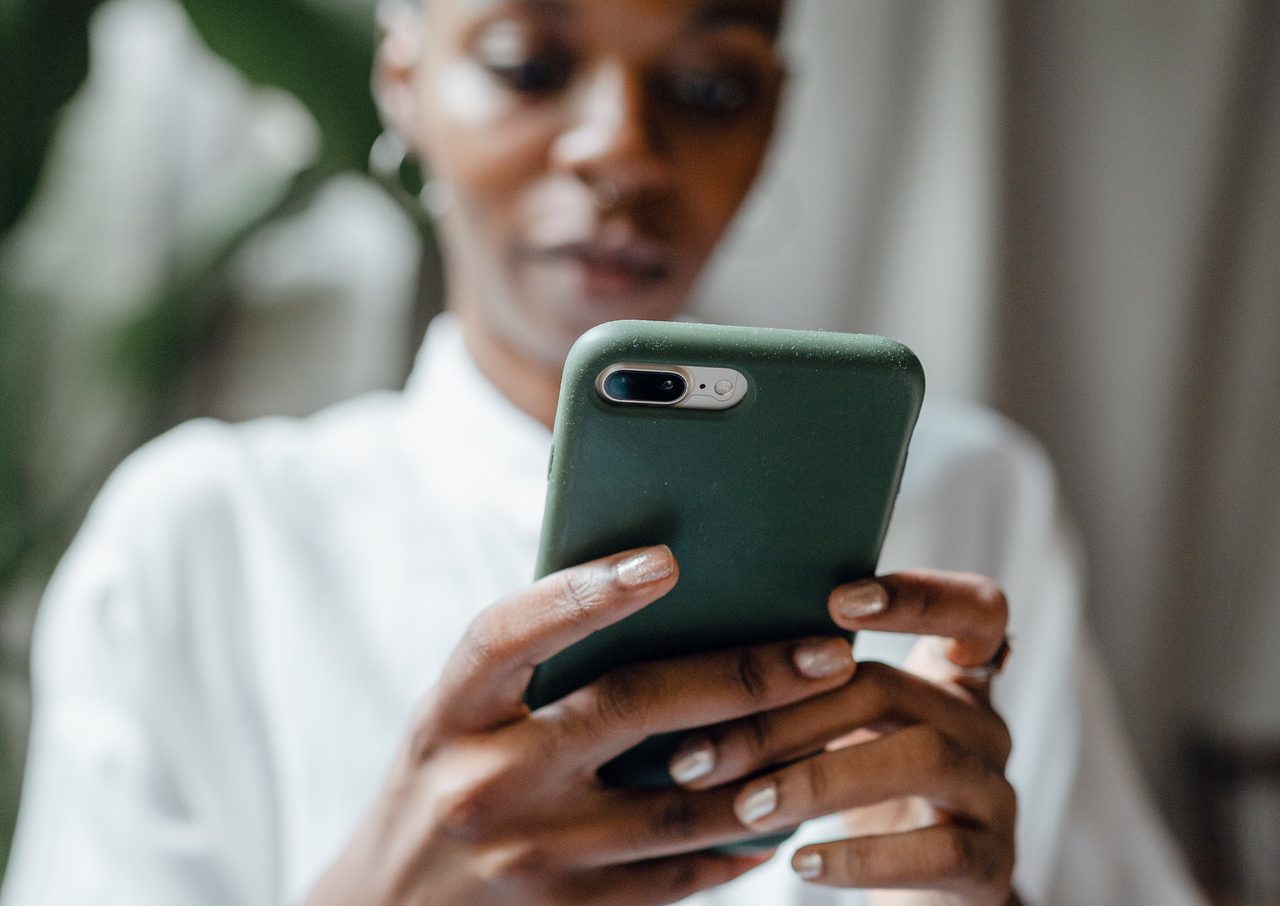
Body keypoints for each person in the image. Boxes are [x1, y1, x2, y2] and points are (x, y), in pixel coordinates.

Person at [1, 0, 1207, 904]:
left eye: (710, 88)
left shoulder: (963, 504)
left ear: (776, 113)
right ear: (403, 79)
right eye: (531, 64)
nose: (621, 149)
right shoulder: (203, 536)